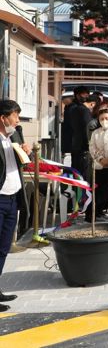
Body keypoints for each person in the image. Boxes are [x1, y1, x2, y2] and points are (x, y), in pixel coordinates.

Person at [0, 100, 29, 311]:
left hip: (12, 199)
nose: (17, 121)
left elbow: (17, 164)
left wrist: (24, 152)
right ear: (3, 118)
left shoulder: (13, 138)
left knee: (3, 248)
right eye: (15, 116)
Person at [67, 89, 97, 180]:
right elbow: (87, 129)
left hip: (75, 143)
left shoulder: (74, 109)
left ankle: (77, 191)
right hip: (83, 147)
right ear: (92, 104)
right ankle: (82, 193)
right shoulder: (85, 112)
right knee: (83, 174)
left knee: (76, 172)